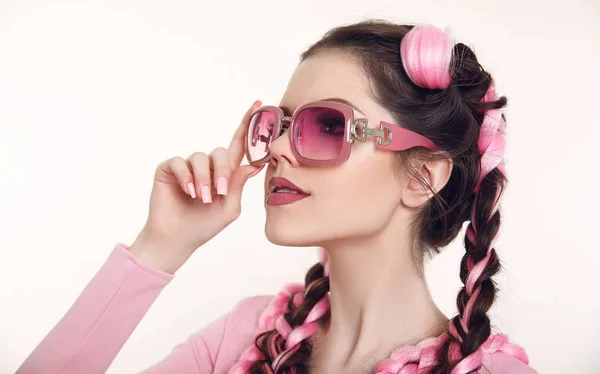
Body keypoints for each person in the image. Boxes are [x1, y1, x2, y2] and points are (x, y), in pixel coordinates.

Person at [17, 20, 537, 374]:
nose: (279, 150)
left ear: (421, 176)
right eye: (278, 124)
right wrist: (158, 248)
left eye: (327, 124)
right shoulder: (250, 335)